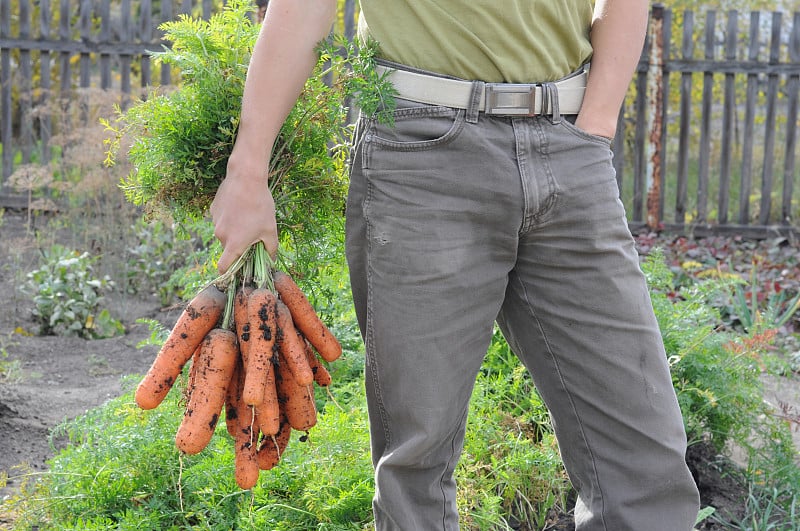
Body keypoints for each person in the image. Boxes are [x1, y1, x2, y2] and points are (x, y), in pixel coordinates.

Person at [210, 0, 702, 529]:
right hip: (423, 155)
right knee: (416, 462)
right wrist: (248, 167)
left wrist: (597, 121)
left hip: (569, 148)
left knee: (643, 458)